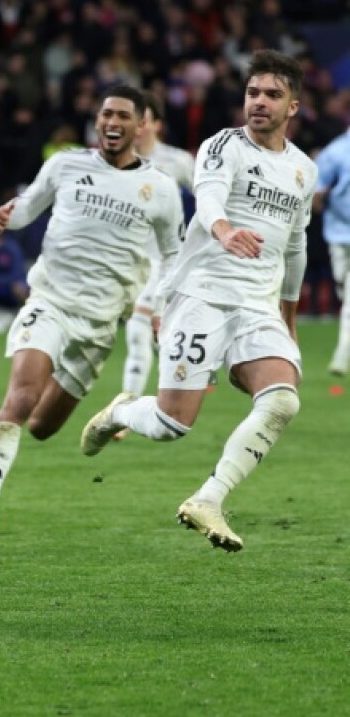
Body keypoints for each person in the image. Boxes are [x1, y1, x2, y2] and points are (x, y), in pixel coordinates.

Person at [81, 50, 316, 552]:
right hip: (200, 294)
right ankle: (122, 411)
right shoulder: (223, 145)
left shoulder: (303, 169)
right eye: (253, 92)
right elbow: (207, 196)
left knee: (282, 400)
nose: (259, 102)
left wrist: (289, 317)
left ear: (292, 107)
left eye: (272, 95)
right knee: (172, 424)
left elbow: (295, 246)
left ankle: (208, 499)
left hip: (257, 304)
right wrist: (224, 229)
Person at [0, 86, 184, 538]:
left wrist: (164, 308)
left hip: (100, 323)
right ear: (97, 120)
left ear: (141, 125)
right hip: (50, 303)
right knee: (20, 399)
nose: (112, 122)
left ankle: (117, 414)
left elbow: (174, 256)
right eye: (106, 114)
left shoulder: (161, 189)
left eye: (123, 115)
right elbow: (26, 208)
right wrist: (5, 215)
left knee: (42, 427)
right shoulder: (66, 164)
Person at [120, 93, 196, 398]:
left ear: (156, 125)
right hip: (127, 260)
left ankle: (126, 404)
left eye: (143, 121)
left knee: (138, 328)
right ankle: (187, 369)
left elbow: (210, 200)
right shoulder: (115, 162)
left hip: (163, 260)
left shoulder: (177, 161)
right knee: (154, 332)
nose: (137, 128)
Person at [314, 121, 350, 375]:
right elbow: (315, 191)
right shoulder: (335, 152)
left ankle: (341, 355)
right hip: (338, 235)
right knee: (342, 289)